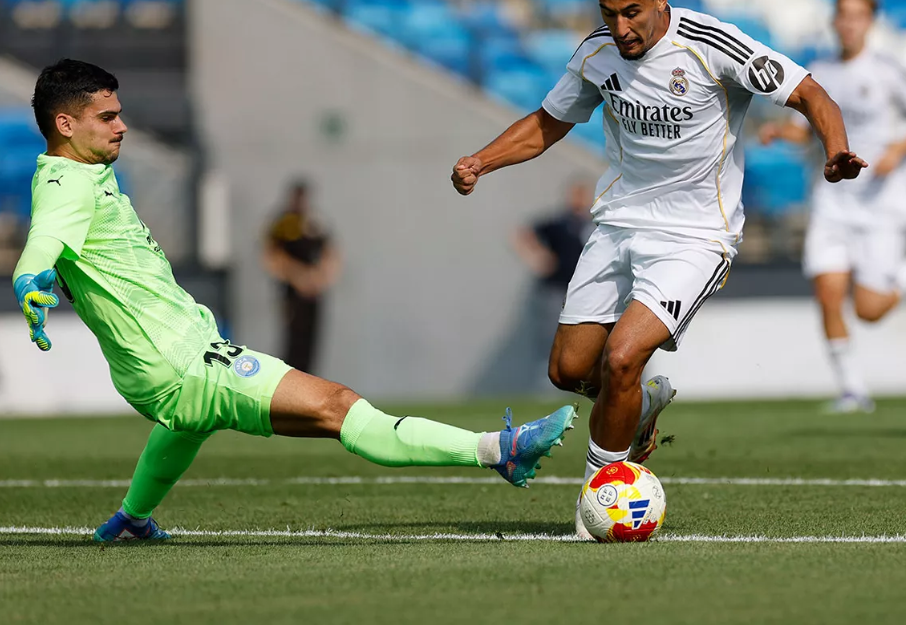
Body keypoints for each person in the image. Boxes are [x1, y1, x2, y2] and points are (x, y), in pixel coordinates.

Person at [13, 59, 574, 543]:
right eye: (107, 117)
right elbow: (43, 241)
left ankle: (133, 517)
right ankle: (498, 449)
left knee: (188, 423)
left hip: (174, 362)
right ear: (65, 123)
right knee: (338, 405)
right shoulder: (66, 183)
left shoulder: (79, 176)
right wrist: (30, 279)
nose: (123, 126)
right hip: (184, 364)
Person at [451, 0, 865, 537]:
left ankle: (600, 497)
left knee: (623, 357)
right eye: (609, 13)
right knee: (569, 372)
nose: (620, 28)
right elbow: (548, 122)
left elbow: (809, 93)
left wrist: (835, 150)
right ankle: (639, 409)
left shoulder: (713, 46)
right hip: (619, 223)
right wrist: (480, 162)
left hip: (697, 237)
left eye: (632, 12)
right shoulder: (596, 54)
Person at [760, 0, 906, 413]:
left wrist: (897, 150)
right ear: (833, 20)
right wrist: (781, 132)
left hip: (883, 202)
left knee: (869, 310)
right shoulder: (818, 74)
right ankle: (852, 390)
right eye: (842, 14)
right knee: (827, 293)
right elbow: (811, 131)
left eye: (857, 15)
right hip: (833, 202)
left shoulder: (887, 71)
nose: (848, 23)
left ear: (870, 22)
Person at [511, 180, 595, 372]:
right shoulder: (558, 223)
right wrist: (537, 258)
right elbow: (523, 234)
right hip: (556, 288)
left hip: (585, 290)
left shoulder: (594, 224)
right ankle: (548, 375)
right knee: (551, 333)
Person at [264, 180, 340, 375]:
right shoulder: (283, 222)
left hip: (313, 292)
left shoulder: (315, 221)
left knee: (311, 342)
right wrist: (298, 276)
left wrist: (321, 277)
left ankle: (309, 383)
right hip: (292, 292)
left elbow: (329, 251)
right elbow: (272, 255)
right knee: (293, 341)